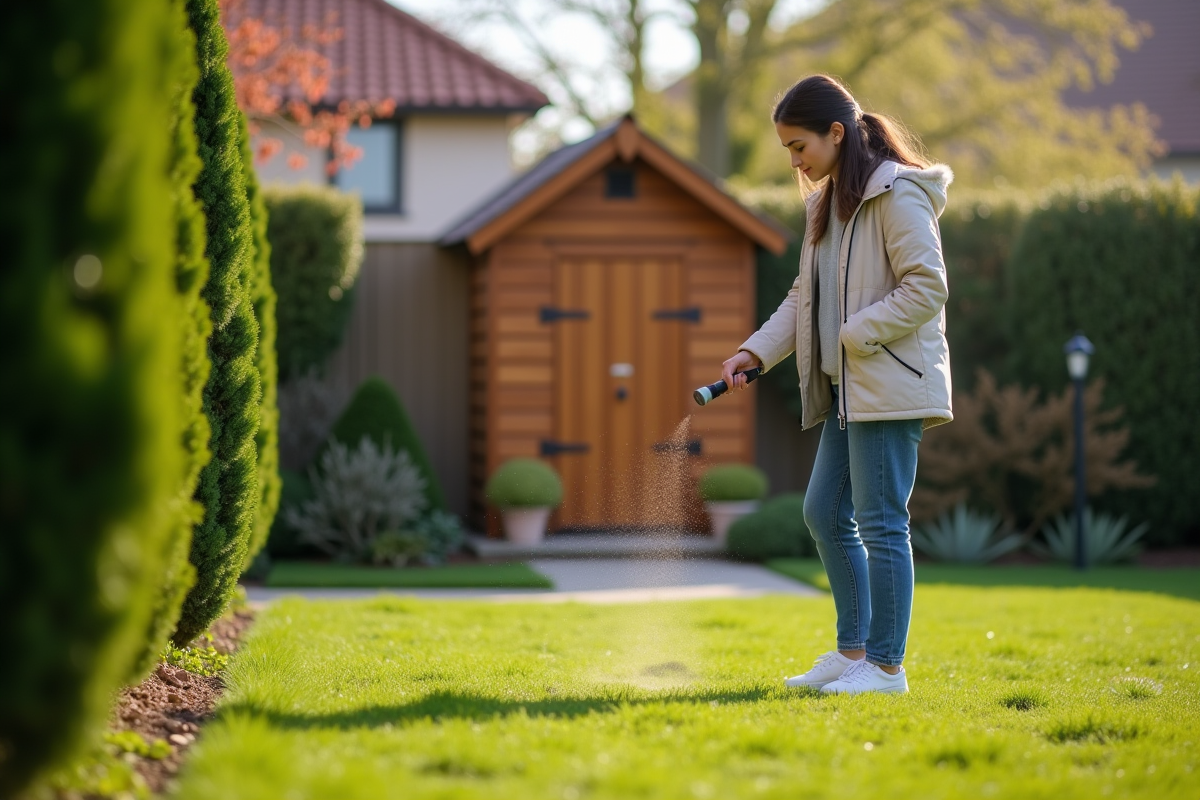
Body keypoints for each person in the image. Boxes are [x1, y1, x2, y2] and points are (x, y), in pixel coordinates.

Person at [721, 75, 954, 696]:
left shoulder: (898, 193)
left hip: (888, 386)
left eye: (799, 147)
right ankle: (853, 653)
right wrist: (754, 352)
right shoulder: (829, 206)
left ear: (835, 132)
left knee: (882, 524)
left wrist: (856, 332)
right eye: (787, 150)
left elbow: (928, 286)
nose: (794, 162)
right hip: (848, 391)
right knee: (824, 512)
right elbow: (804, 295)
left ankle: (885, 667)